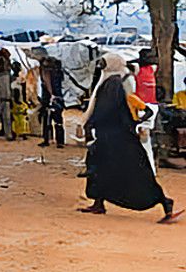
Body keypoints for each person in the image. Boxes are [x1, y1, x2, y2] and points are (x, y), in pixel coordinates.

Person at [77, 54, 181, 223]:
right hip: (110, 136)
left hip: (117, 137)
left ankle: (165, 202)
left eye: (104, 62)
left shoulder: (114, 83)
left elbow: (107, 109)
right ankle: (99, 202)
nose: (101, 65)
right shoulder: (110, 81)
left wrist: (91, 123)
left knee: (134, 172)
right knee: (101, 169)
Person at [39, 56, 66, 148]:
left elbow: (51, 85)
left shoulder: (52, 73)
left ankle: (55, 140)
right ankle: (52, 140)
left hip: (53, 98)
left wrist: (53, 96)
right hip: (52, 98)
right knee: (50, 120)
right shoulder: (55, 73)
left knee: (53, 120)